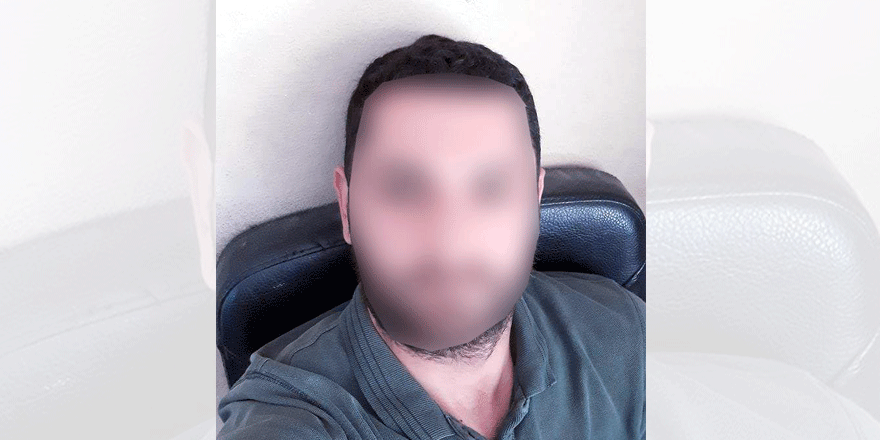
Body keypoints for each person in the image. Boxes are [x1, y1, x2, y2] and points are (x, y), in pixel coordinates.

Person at [217, 34, 645, 440]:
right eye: (403, 188)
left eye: (492, 187)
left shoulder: (625, 330)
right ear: (346, 206)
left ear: (534, 199)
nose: (448, 239)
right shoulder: (289, 412)